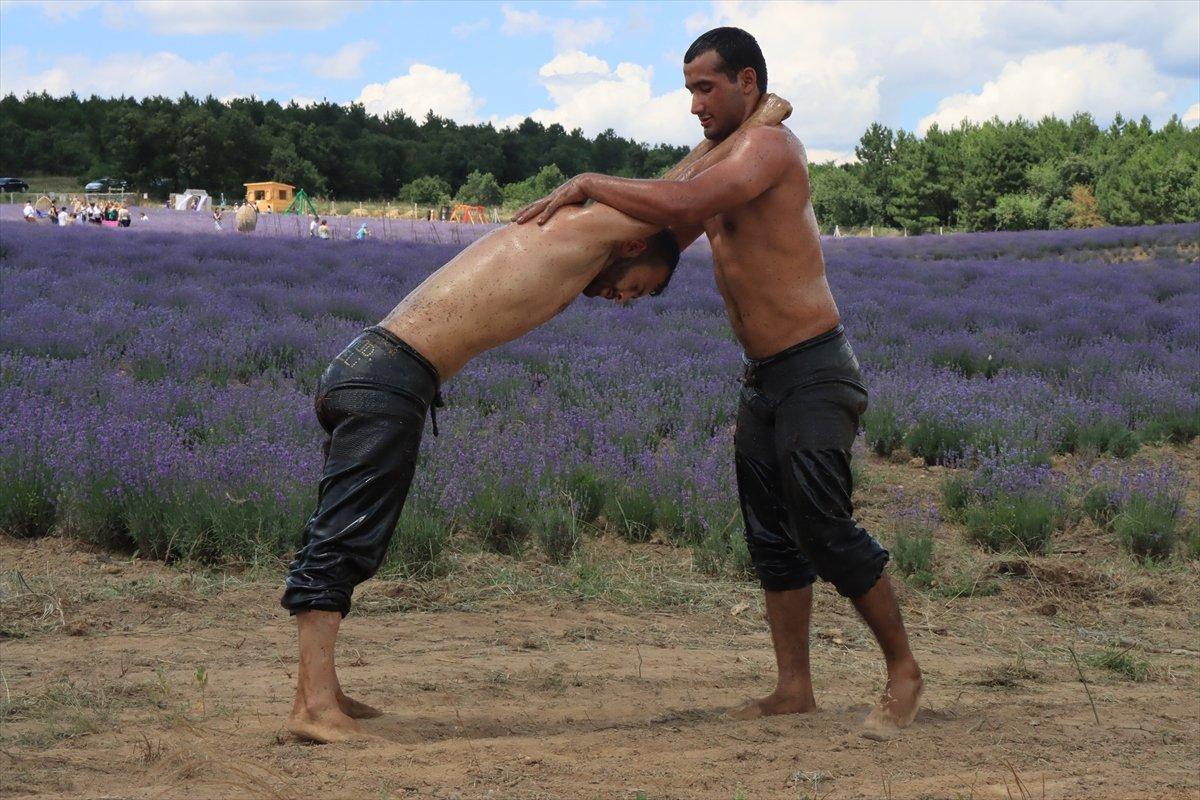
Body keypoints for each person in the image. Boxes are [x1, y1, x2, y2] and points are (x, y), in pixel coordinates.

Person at [280, 97, 789, 744]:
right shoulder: (598, 225)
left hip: (372, 372)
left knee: (348, 532)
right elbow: (679, 197)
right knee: (345, 536)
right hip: (386, 379)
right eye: (636, 287)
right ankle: (311, 709)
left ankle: (321, 692)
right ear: (635, 243)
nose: (617, 297)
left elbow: (670, 208)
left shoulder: (585, 236)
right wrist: (758, 124)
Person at [517, 27, 923, 739]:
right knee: (772, 537)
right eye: (690, 91)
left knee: (824, 527)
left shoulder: (767, 150)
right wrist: (624, 272)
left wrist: (585, 183)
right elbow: (678, 230)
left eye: (705, 88)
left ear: (747, 83)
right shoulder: (723, 158)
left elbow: (680, 204)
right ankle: (794, 688)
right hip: (764, 377)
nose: (695, 104)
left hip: (815, 370)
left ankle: (904, 674)